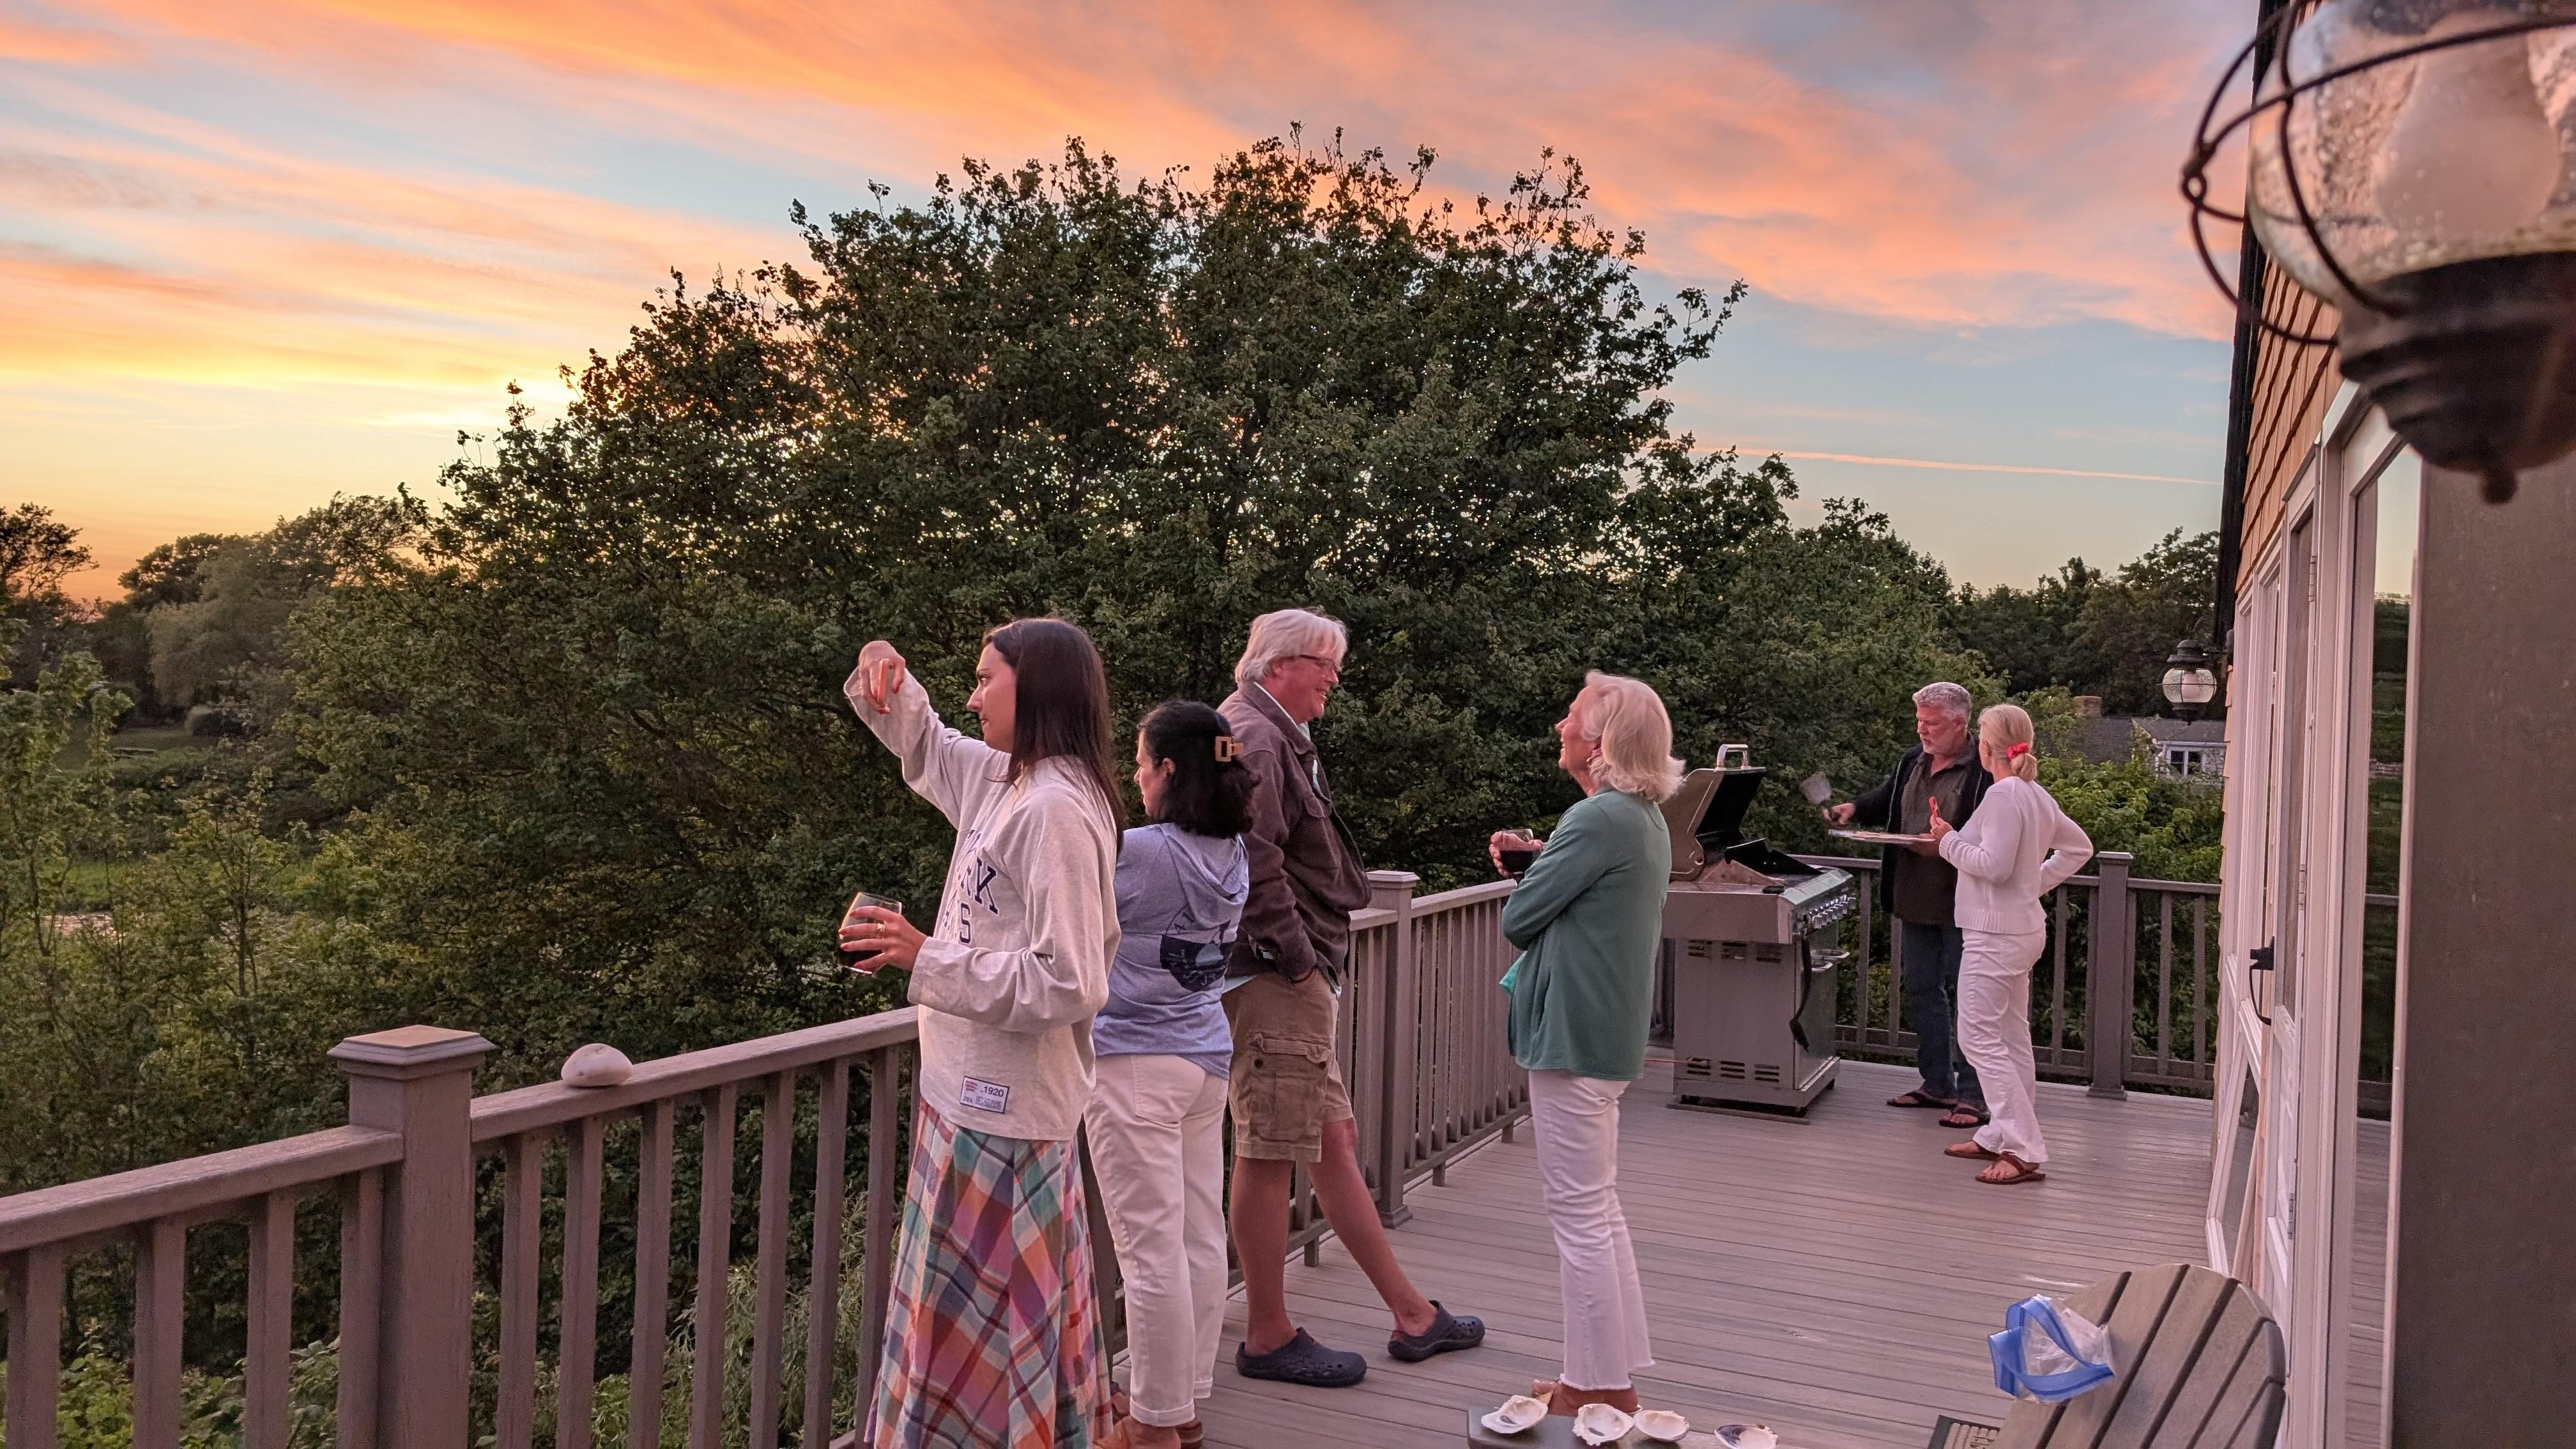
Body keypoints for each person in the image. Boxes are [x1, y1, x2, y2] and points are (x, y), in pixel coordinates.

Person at [841, 620, 1121, 1448]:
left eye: (984, 679)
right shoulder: (1007, 781)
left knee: (993, 1341)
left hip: (1008, 1120)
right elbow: (927, 746)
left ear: (1032, 689)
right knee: (962, 1334)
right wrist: (882, 664)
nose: (971, 695)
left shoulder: (1059, 811)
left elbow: (1071, 981)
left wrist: (926, 959)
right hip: (965, 1100)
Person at [1219, 608, 1486, 1388]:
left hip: (1285, 975)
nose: (1336, 678)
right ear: (1279, 667)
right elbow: (1250, 856)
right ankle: (1268, 1335)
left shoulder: (1252, 729)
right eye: (1324, 664)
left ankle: (1412, 1314)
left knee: (1333, 1144)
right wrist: (1298, 959)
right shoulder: (1258, 737)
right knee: (1268, 1150)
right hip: (1275, 978)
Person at [1486, 673, 1679, 1418]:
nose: (1560, 728)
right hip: (1607, 1030)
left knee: (1579, 1218)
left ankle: (1588, 1386)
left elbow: (1522, 917)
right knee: (1599, 1210)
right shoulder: (1639, 816)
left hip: (1575, 1033)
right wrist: (1547, 853)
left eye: (1570, 719)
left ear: (1599, 743)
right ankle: (1611, 1380)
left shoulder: (1599, 818)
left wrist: (1538, 865)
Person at [1085, 702, 1253, 1449]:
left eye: (1142, 762)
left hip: (1132, 1065)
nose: (1134, 773)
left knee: (1148, 1253)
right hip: (1203, 1058)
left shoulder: (1141, 851)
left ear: (1170, 772)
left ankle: (1151, 1425)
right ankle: (1182, 1405)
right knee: (1197, 1239)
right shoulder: (1235, 852)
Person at [1926, 703, 2092, 1187]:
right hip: (2020, 930)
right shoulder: (2034, 794)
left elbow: (1994, 866)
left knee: (1976, 1037)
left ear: (1985, 746)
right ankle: (2001, 1134)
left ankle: (2021, 1147)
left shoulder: (2003, 796)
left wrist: (1947, 840)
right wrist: (2032, 885)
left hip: (1996, 935)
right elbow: (2078, 849)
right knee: (2011, 1037)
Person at [1828, 681, 1993, 1131]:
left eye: (1932, 723)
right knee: (1922, 990)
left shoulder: (1985, 768)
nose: (1922, 730)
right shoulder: (1911, 761)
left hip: (1965, 903)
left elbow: (1992, 835)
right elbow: (1888, 800)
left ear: (1960, 724)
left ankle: (1973, 1095)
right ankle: (1936, 1083)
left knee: (1972, 1000)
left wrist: (1945, 846)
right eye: (1919, 721)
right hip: (1914, 895)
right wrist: (1853, 809)